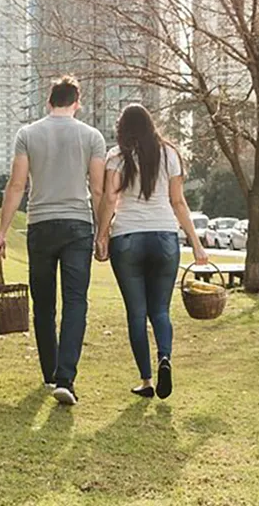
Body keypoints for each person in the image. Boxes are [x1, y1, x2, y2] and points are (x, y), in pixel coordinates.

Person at [0, 76, 106, 406]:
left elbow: (16, 186)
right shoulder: (92, 137)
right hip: (77, 226)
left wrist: (2, 232)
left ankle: (48, 373)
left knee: (43, 303)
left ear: (49, 102)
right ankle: (65, 378)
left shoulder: (27, 134)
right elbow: (98, 190)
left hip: (40, 224)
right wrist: (102, 233)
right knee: (75, 301)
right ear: (77, 103)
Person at [94, 104, 208, 400]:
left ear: (123, 129)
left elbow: (109, 199)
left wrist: (101, 235)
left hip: (127, 238)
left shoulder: (116, 156)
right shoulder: (170, 153)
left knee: (136, 313)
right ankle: (165, 358)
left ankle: (146, 380)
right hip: (164, 237)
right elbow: (178, 202)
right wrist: (196, 243)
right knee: (160, 310)